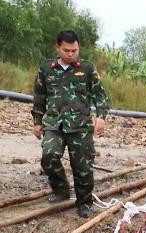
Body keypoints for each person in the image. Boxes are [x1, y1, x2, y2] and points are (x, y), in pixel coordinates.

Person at [31, 30, 110, 218]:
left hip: (80, 125)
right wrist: (37, 121)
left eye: (75, 50)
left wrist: (101, 117)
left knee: (83, 167)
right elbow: (39, 97)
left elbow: (100, 95)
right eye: (67, 50)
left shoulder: (87, 69)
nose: (71, 54)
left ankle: (84, 203)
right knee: (49, 156)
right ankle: (61, 190)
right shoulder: (46, 69)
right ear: (57, 48)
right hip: (54, 123)